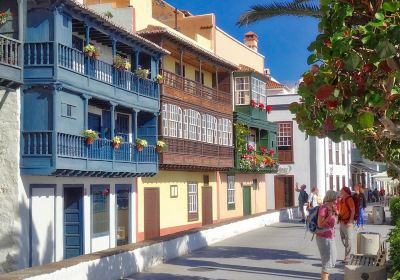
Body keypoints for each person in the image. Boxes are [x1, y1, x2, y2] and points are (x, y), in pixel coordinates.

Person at [316, 190, 338, 280]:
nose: (338, 199)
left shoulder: (332, 207)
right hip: (323, 237)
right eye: (336, 198)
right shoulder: (323, 208)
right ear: (332, 198)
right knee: (327, 263)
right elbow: (320, 224)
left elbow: (335, 221)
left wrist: (335, 213)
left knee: (333, 260)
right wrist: (329, 216)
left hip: (330, 236)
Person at [338, 186, 355, 263]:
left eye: (341, 191)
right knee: (343, 238)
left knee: (348, 239)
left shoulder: (349, 199)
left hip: (348, 223)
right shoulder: (342, 200)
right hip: (342, 222)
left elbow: (353, 211)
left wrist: (350, 221)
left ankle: (347, 257)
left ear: (345, 191)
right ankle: (347, 254)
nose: (340, 191)